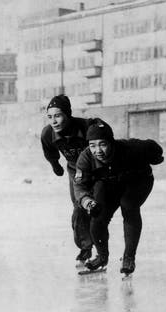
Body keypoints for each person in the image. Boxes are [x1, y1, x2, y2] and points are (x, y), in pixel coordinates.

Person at [73, 121, 164, 276]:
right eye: (93, 145)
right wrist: (87, 201)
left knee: (129, 206)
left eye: (102, 144)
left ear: (112, 142)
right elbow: (80, 186)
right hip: (109, 183)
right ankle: (102, 257)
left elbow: (152, 147)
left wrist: (156, 157)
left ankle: (129, 257)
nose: (97, 150)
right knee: (97, 215)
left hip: (137, 181)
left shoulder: (131, 148)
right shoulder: (86, 157)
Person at [41, 94, 98, 263]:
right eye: (50, 117)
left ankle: (102, 250)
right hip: (76, 171)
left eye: (58, 115)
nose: (54, 121)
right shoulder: (47, 133)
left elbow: (104, 138)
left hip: (97, 170)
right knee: (79, 208)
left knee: (97, 208)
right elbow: (49, 152)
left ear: (68, 115)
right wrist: (55, 166)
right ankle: (86, 248)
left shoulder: (86, 127)